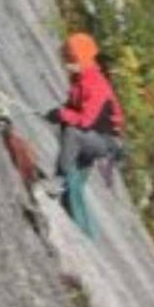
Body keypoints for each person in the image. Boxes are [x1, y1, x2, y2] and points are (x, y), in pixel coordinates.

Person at [45, 33, 125, 223]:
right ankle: (77, 212)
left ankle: (59, 181)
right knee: (74, 192)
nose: (65, 63)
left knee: (72, 132)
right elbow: (74, 107)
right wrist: (59, 113)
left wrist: (62, 114)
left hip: (106, 141)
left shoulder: (95, 84)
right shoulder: (80, 77)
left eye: (69, 59)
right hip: (94, 136)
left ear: (80, 58)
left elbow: (86, 120)